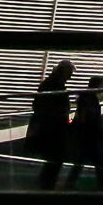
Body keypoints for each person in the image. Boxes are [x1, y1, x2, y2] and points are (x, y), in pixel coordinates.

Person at [29, 59, 74, 188]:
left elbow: (37, 104)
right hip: (53, 128)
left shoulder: (50, 83)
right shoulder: (56, 85)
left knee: (53, 159)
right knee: (55, 158)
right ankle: (47, 186)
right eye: (70, 72)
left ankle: (46, 185)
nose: (71, 76)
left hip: (49, 127)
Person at [66, 74, 103, 189]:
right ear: (98, 85)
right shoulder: (90, 98)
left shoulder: (86, 97)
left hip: (86, 134)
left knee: (81, 161)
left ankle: (70, 184)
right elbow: (88, 117)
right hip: (91, 135)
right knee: (98, 162)